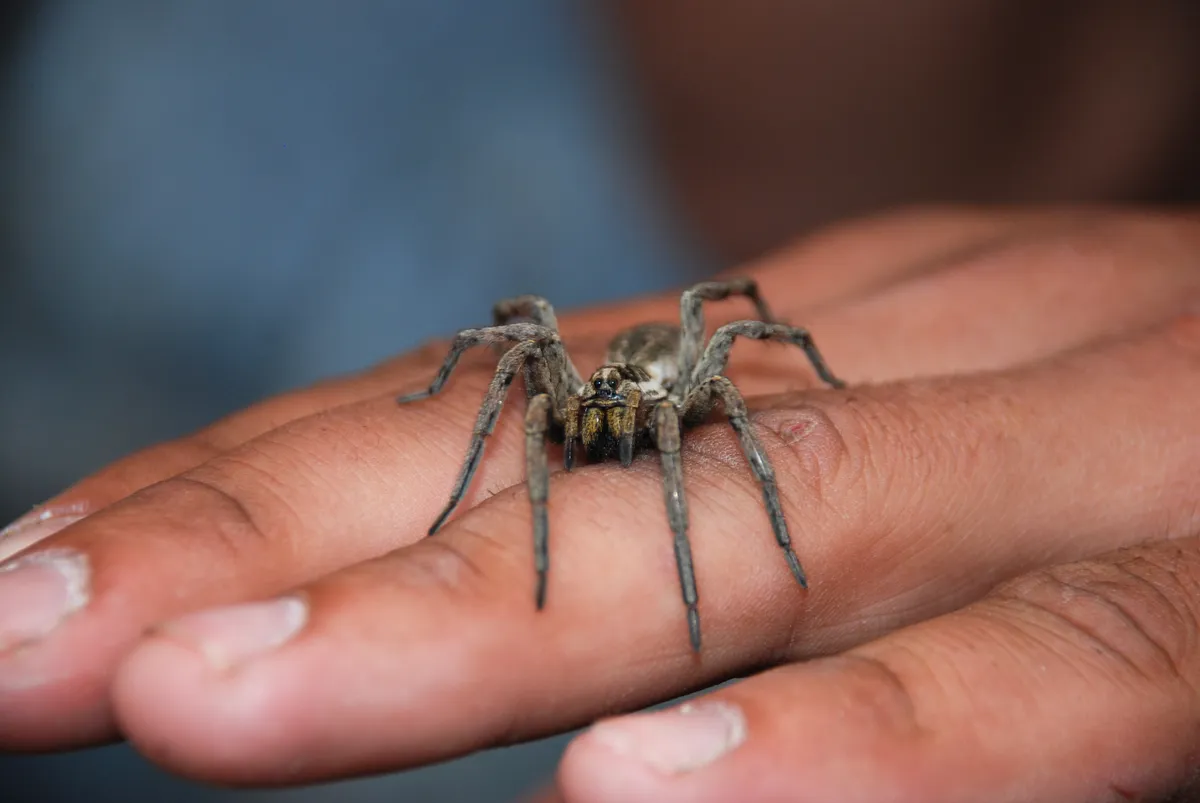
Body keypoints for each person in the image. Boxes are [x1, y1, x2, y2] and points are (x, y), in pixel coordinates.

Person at [3, 4, 1200, 803]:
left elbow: (742, 311)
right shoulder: (572, 394)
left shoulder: (689, 377)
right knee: (504, 329)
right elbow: (511, 349)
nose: (608, 429)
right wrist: (451, 414)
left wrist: (790, 461)